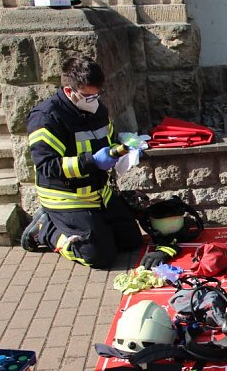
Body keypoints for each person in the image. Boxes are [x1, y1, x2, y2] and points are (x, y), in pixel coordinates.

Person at [20, 55, 143, 268]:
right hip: (67, 197)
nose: (94, 100)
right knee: (98, 256)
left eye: (97, 94)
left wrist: (124, 147)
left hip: (98, 192)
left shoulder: (98, 110)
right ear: (69, 91)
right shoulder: (47, 117)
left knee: (131, 241)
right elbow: (47, 167)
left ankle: (94, 227)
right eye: (88, 96)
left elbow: (109, 140)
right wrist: (93, 162)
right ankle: (47, 230)